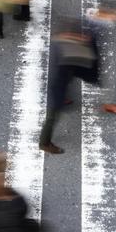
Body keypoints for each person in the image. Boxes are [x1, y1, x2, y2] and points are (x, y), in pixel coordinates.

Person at [39, 20, 97, 154]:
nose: (82, 38)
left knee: (54, 111)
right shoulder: (66, 52)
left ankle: (63, 100)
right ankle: (44, 143)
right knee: (52, 117)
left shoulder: (61, 44)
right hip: (55, 89)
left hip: (60, 85)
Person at [84, 0, 116, 114]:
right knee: (105, 77)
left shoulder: (90, 15)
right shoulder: (104, 25)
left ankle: (60, 94)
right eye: (115, 13)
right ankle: (108, 104)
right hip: (89, 54)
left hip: (80, 50)